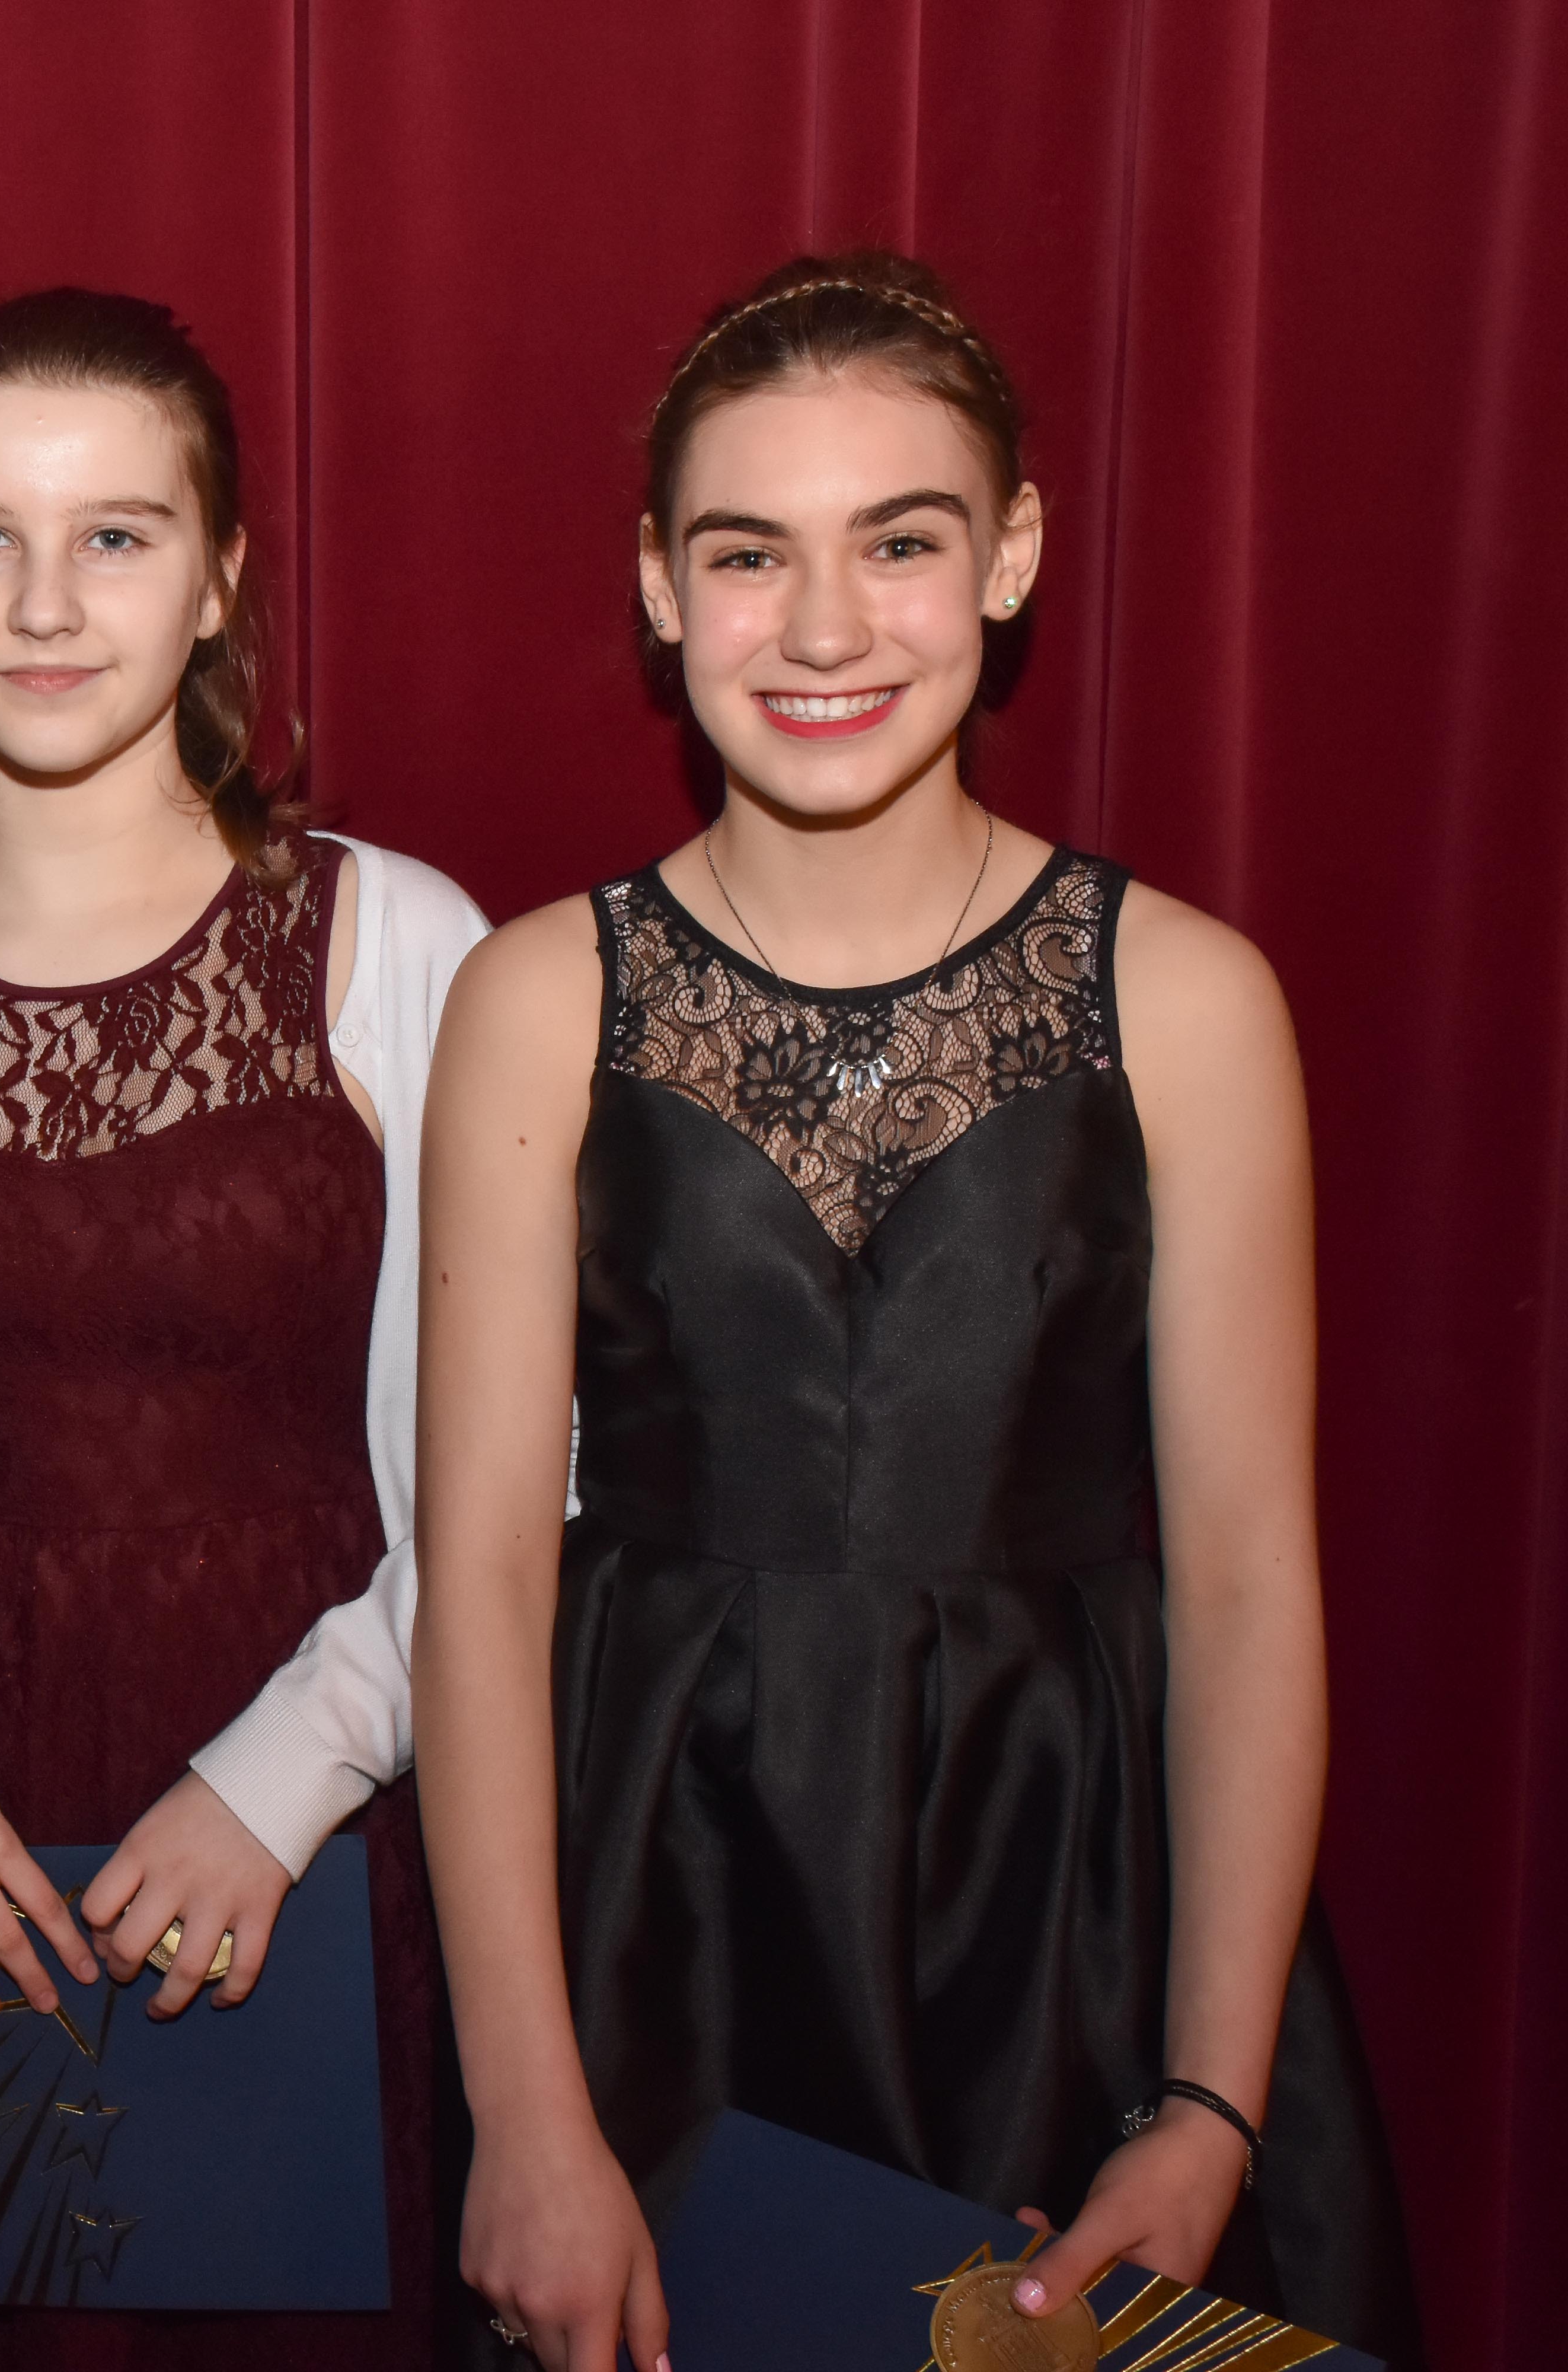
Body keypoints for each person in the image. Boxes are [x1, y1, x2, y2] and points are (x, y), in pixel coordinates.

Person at [410, 251, 1425, 2372]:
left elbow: (1248, 1576)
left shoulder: (1191, 997)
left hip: (1073, 1913)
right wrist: (525, 2109)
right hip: (661, 1907)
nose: (825, 627)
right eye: (747, 553)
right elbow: (482, 1576)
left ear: (1013, 554)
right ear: (661, 587)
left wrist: (1211, 2106)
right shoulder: (535, 997)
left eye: (899, 541)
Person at [0, 288, 490, 2370]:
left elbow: (526, 1474)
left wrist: (292, 1773)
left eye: (117, 536)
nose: (44, 604)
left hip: (311, 1825)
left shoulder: (400, 940)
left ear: (219, 579)